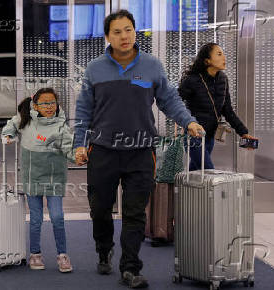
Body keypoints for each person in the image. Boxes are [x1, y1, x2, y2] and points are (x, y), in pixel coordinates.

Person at [74, 10, 204, 289]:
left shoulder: (152, 66)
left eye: (129, 29)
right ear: (108, 36)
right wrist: (79, 145)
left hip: (141, 150)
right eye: (117, 31)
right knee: (100, 210)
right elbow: (84, 110)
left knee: (134, 213)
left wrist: (189, 121)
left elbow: (169, 100)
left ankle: (130, 267)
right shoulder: (95, 68)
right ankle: (103, 247)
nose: (124, 36)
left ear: (135, 32)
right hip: (103, 151)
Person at [1, 88, 75, 273]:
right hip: (32, 177)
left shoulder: (61, 125)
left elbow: (69, 148)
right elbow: (10, 125)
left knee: (57, 217)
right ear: (35, 105)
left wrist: (78, 156)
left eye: (52, 103)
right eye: (44, 103)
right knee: (36, 219)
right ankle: (35, 254)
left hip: (55, 178)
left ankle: (63, 255)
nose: (49, 107)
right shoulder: (25, 120)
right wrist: (8, 135)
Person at [179, 42, 257, 170]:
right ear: (207, 60)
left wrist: (243, 132)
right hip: (194, 136)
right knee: (209, 171)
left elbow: (227, 110)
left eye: (223, 54)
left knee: (196, 174)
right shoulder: (192, 80)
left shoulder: (223, 79)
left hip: (210, 136)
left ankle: (185, 190)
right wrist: (185, 121)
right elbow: (176, 102)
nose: (224, 57)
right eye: (219, 54)